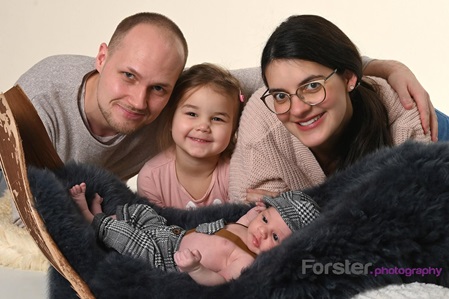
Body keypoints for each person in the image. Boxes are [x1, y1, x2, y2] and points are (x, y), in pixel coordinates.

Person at [0, 11, 439, 216]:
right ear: (101, 57)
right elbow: (16, 204)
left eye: (159, 88)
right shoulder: (40, 101)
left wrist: (384, 67)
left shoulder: (182, 102)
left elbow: (285, 74)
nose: (138, 101)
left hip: (420, 126)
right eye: (127, 76)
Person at [229, 14, 449, 202]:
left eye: (312, 86)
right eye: (280, 95)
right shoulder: (262, 125)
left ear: (348, 79)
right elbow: (252, 231)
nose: (297, 110)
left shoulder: (402, 115)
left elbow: (416, 219)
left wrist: (299, 213)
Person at [70, 183, 320, 286]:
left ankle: (93, 218)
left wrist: (195, 268)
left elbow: (219, 280)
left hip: (167, 260)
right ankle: (110, 219)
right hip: (172, 234)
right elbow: (244, 222)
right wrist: (255, 213)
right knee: (142, 211)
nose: (262, 232)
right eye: (265, 219)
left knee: (130, 240)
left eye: (275, 237)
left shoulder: (246, 260)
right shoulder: (250, 226)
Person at [136, 63, 244, 209]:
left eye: (217, 119)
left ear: (234, 129)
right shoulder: (152, 177)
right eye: (192, 114)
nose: (203, 126)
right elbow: (154, 229)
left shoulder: (237, 171)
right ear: (170, 120)